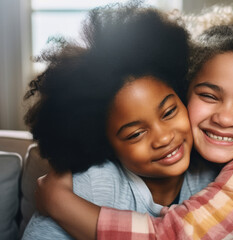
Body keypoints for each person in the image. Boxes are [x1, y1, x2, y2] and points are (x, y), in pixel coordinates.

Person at [34, 5, 233, 240]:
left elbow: (172, 235)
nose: (225, 118)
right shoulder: (201, 163)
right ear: (186, 92)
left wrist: (60, 202)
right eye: (210, 96)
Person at [21, 3, 219, 240]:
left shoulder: (217, 176)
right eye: (136, 134)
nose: (164, 137)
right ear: (104, 143)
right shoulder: (89, 187)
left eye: (168, 112)